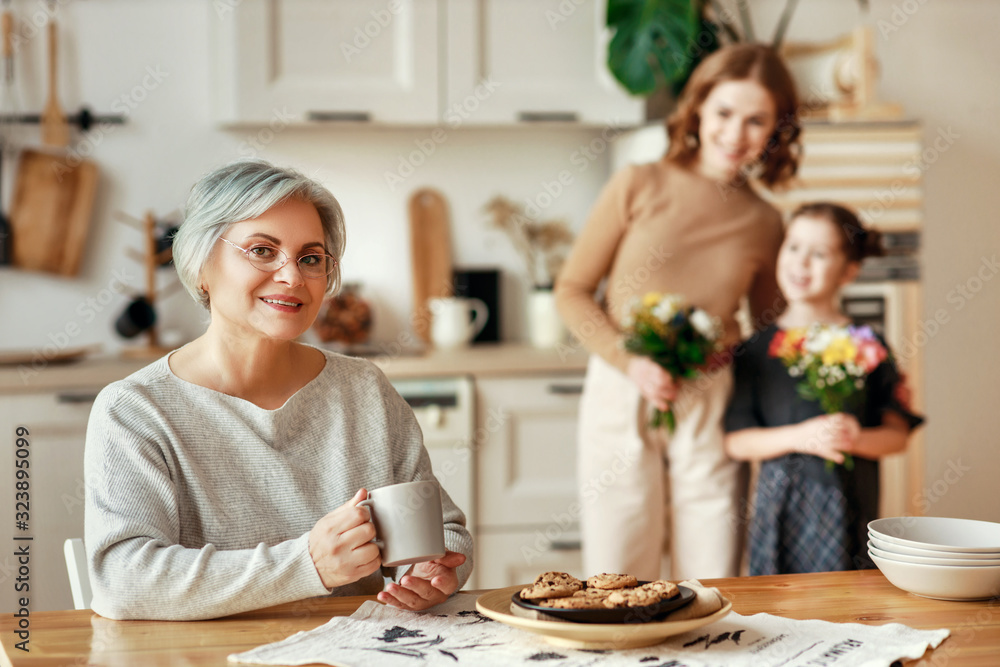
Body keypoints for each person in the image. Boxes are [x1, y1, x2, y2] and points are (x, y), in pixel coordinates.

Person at [84, 160, 472, 620]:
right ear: (200, 264)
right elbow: (124, 582)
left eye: (310, 258)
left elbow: (442, 531)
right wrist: (307, 564)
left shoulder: (364, 389)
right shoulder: (135, 409)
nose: (293, 276)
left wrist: (433, 568)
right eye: (262, 251)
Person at [555, 43, 801, 581]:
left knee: (711, 578)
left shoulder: (764, 220)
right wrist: (631, 361)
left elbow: (767, 333)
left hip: (711, 397)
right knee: (616, 574)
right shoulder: (638, 184)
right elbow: (571, 290)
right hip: (623, 388)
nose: (736, 133)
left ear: (776, 130)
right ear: (698, 111)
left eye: (756, 120)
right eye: (724, 113)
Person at [724, 202, 923, 574]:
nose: (801, 263)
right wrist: (803, 436)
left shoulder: (868, 344)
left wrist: (856, 438)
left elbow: (897, 436)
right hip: (779, 514)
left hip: (852, 511)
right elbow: (736, 441)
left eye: (819, 254)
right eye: (793, 246)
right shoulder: (755, 350)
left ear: (849, 271)